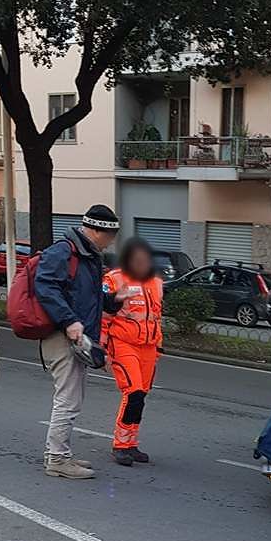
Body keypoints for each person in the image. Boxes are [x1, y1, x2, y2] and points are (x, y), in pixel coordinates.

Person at [34, 204, 127, 478]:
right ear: (98, 231)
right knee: (68, 400)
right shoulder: (64, 252)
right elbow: (46, 287)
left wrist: (113, 302)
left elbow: (89, 298)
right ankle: (57, 460)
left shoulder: (88, 257)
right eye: (111, 235)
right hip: (63, 336)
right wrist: (69, 321)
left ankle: (59, 453)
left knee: (70, 399)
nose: (112, 241)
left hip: (76, 335)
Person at [101, 238, 163, 466]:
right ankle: (120, 445)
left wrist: (158, 347)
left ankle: (131, 444)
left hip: (148, 347)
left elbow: (156, 317)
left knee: (141, 396)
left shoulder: (156, 283)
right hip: (123, 344)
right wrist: (103, 349)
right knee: (133, 392)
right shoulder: (114, 279)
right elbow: (104, 317)